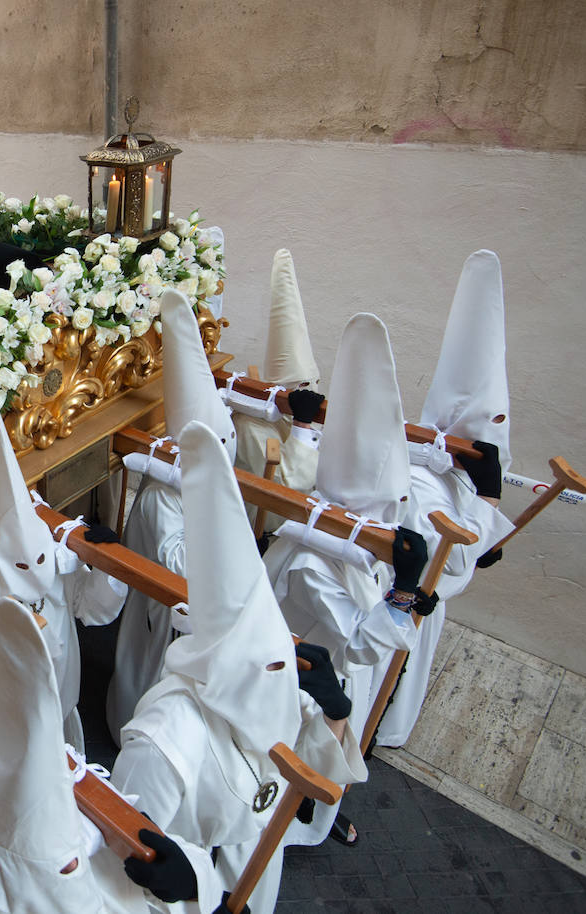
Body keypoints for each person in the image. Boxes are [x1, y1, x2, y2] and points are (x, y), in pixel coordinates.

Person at [112, 421, 367, 914]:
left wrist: (335, 713)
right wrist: (199, 894)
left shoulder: (269, 685)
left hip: (256, 869)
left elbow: (312, 774)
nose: (277, 679)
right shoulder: (163, 742)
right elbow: (128, 868)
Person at [0, 598, 229, 914]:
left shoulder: (90, 843)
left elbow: (94, 605)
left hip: (52, 725)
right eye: (65, 868)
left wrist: (193, 883)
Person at [262, 313, 428, 846]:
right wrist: (400, 596)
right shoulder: (312, 560)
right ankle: (289, 823)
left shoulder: (359, 537)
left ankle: (320, 808)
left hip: (336, 677)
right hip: (305, 684)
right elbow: (357, 644)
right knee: (292, 759)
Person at [374, 250, 514, 748]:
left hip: (424, 604)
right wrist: (489, 504)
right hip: (405, 603)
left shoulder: (460, 474)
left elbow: (474, 548)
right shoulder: (426, 477)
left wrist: (487, 531)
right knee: (389, 681)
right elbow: (451, 566)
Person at [0, 390, 126, 763]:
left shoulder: (50, 565)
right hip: (6, 740)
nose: (38, 572)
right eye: (23, 567)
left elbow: (91, 607)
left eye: (41, 559)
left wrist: (108, 565)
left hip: (60, 709)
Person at [105, 289, 238, 738]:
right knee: (146, 669)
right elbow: (179, 563)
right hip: (162, 609)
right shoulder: (164, 497)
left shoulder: (204, 477)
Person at [227, 249, 324, 535]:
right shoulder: (253, 427)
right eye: (303, 387)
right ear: (285, 389)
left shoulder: (283, 413)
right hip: (260, 525)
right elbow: (289, 488)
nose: (312, 392)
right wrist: (302, 427)